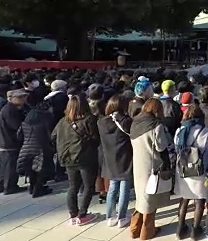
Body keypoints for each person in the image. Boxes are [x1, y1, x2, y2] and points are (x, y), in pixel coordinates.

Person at [52, 94, 100, 226]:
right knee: (88, 186)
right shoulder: (89, 120)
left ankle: (73, 214)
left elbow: (53, 136)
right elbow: (96, 139)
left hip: (68, 157)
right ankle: (82, 214)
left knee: (73, 186)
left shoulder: (62, 121)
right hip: (85, 157)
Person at [130, 98, 172, 240]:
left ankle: (134, 229)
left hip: (138, 165)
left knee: (141, 199)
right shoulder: (156, 125)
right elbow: (161, 146)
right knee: (150, 202)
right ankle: (146, 233)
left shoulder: (135, 122)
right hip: (152, 166)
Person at [174, 105, 208, 240]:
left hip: (183, 169)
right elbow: (207, 152)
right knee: (199, 200)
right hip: (198, 169)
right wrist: (207, 170)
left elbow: (176, 148)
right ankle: (195, 230)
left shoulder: (180, 130)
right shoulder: (205, 131)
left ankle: (180, 228)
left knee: (184, 199)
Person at [98, 94, 134, 228]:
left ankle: (110, 216)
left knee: (112, 187)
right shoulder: (126, 121)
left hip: (109, 157)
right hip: (124, 156)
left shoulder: (101, 122)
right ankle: (122, 217)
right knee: (124, 187)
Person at [0, 88, 30, 195]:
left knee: (4, 165)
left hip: (3, 141)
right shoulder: (10, 110)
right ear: (11, 98)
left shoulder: (15, 108)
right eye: (20, 97)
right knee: (11, 165)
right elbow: (16, 126)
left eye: (24, 96)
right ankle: (10, 187)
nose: (23, 99)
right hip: (8, 142)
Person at [17, 99, 55, 198]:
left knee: (31, 170)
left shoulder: (26, 122)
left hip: (26, 148)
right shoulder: (45, 120)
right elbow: (50, 135)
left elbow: (19, 136)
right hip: (41, 148)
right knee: (41, 170)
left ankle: (32, 187)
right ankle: (38, 189)